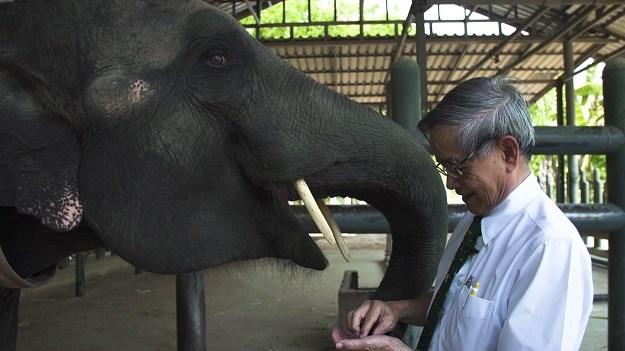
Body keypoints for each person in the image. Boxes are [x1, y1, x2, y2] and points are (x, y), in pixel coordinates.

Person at [332, 75, 593, 350]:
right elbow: (456, 302)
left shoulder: (550, 250)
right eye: (445, 168)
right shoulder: (476, 220)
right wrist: (398, 309)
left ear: (507, 153)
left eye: (458, 167)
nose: (450, 182)